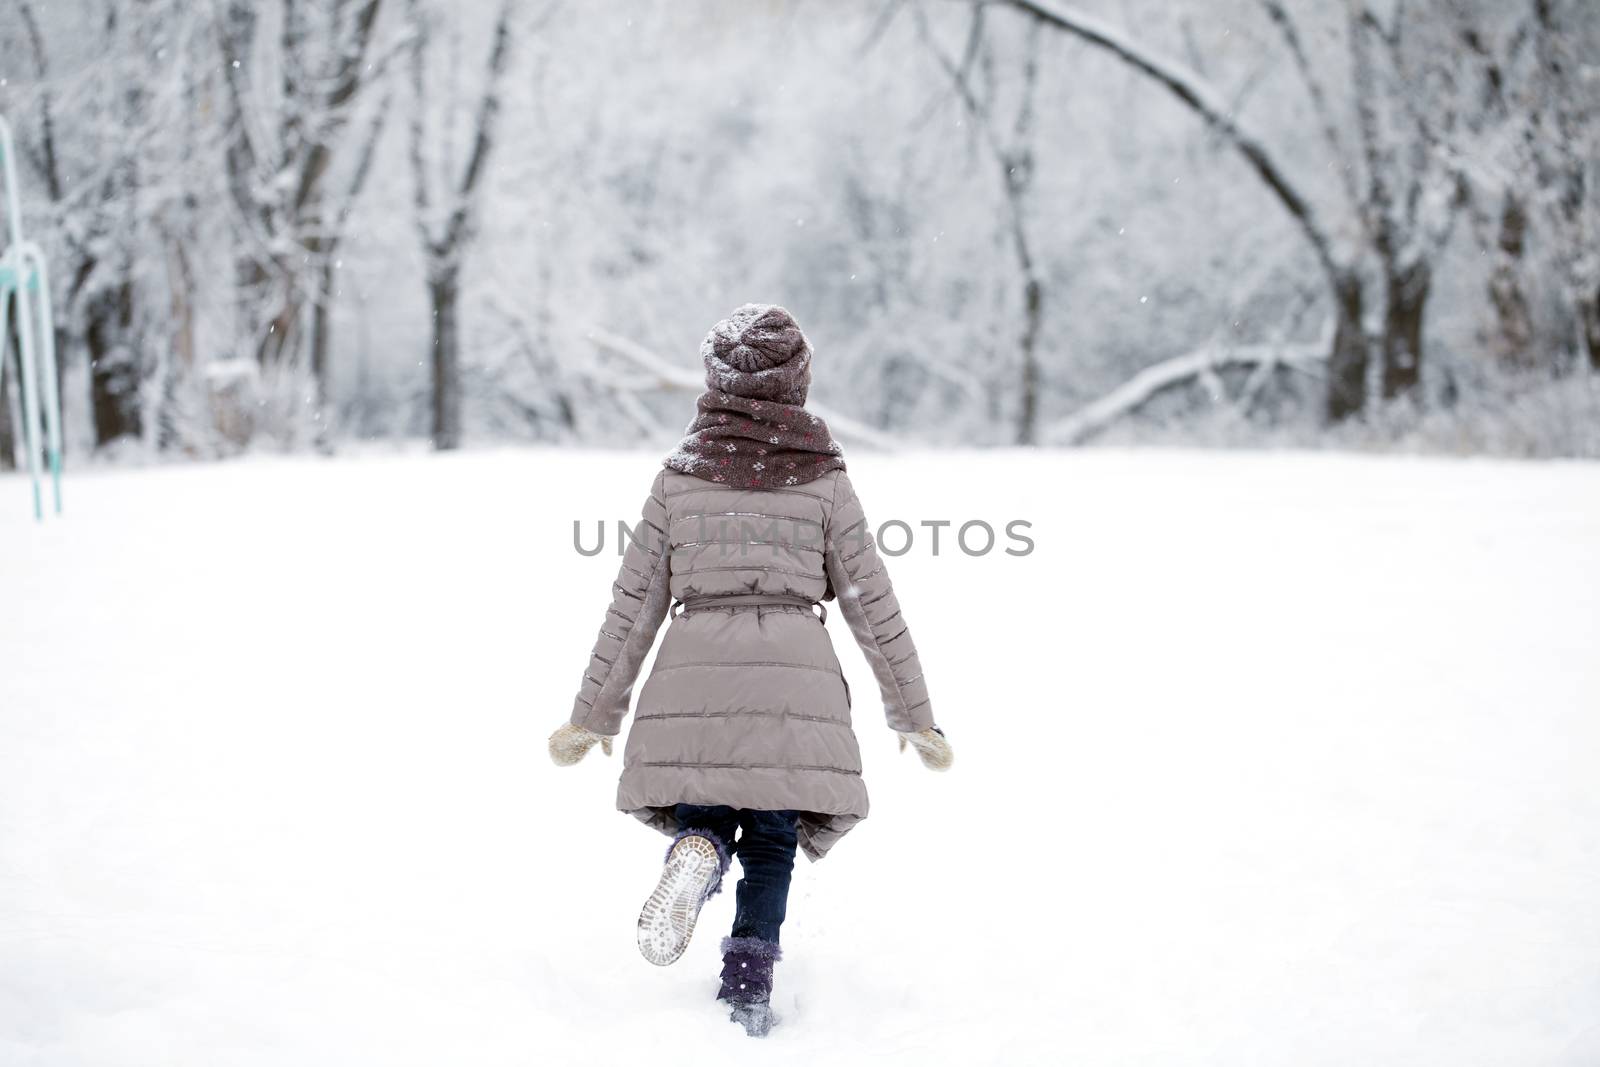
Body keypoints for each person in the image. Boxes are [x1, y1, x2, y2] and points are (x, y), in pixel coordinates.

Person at [548, 304, 952, 1038]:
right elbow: (871, 601)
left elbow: (633, 604)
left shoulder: (679, 479)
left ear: (717, 381)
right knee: (771, 833)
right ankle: (748, 982)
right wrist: (914, 714)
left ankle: (696, 853)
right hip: (794, 681)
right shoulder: (825, 480)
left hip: (693, 667)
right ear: (796, 382)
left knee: (707, 799)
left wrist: (593, 712)